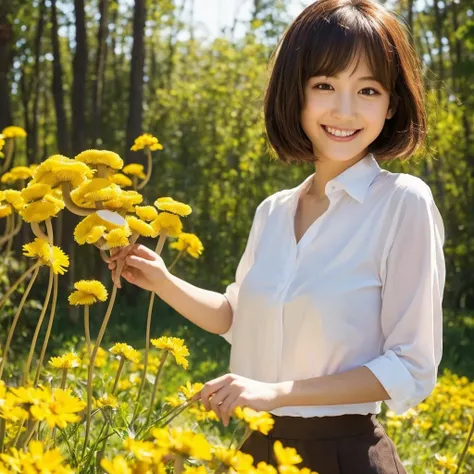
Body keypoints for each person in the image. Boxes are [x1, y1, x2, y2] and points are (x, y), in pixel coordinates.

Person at [108, 0, 446, 471]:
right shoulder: (273, 211)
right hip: (260, 451)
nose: (345, 110)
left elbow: (410, 365)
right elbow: (235, 317)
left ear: (392, 104)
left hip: (345, 453)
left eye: (368, 89)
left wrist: (275, 392)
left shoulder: (402, 203)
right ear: (296, 95)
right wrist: (162, 279)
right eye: (325, 85)